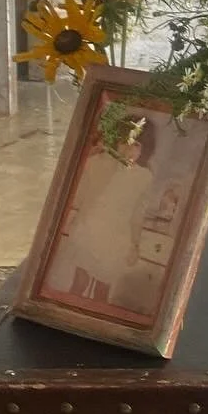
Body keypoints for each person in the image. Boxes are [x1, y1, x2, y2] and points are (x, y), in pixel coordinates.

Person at [48, 113, 165, 322]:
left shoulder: (143, 177)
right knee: (80, 281)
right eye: (124, 142)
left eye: (136, 145)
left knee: (103, 289)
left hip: (116, 238)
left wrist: (135, 244)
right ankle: (69, 320)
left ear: (145, 149)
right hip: (89, 229)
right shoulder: (98, 162)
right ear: (115, 142)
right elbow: (80, 194)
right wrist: (93, 156)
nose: (128, 149)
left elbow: (137, 214)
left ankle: (96, 324)